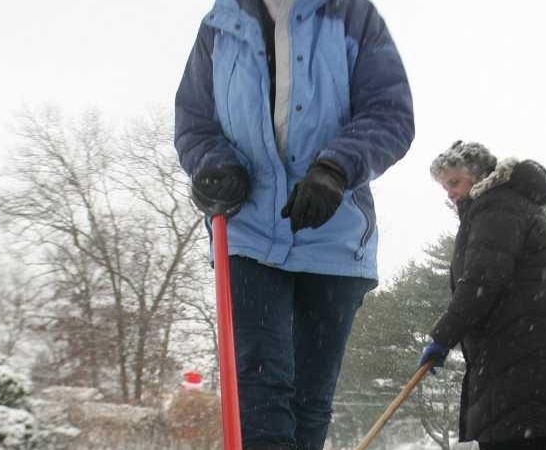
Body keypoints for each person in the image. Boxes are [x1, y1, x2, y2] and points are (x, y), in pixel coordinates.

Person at [174, 0, 414, 448]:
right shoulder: (219, 26)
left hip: (333, 234)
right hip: (247, 232)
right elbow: (194, 121)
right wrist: (216, 164)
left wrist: (336, 169)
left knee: (308, 398)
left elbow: (390, 114)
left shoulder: (351, 15)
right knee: (260, 387)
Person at [419, 141, 546, 450]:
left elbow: (482, 281)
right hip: (528, 366)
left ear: (478, 174)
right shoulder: (504, 206)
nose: (450, 193)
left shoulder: (496, 206)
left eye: (454, 182)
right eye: (445, 187)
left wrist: (443, 337)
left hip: (523, 367)